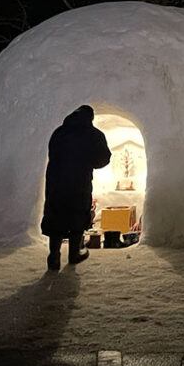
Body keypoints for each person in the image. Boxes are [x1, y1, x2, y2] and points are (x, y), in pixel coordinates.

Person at [42, 105, 112, 271]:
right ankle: (74, 253)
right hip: (78, 182)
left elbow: (52, 153)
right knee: (77, 215)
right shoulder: (93, 134)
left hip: (56, 181)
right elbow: (103, 159)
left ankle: (54, 256)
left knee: (56, 215)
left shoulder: (59, 132)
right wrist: (87, 160)